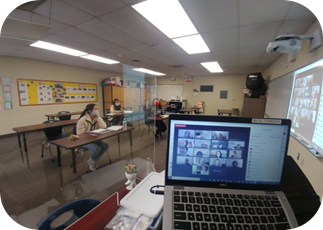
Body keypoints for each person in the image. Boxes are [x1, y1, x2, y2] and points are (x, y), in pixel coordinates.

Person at [76, 103, 109, 171]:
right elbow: (80, 135)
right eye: (95, 109)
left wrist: (98, 117)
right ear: (90, 111)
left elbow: (104, 126)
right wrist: (90, 134)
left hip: (93, 138)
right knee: (96, 148)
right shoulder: (82, 120)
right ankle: (91, 161)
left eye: (97, 109)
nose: (97, 110)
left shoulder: (96, 118)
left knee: (105, 145)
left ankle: (92, 160)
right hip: (83, 140)